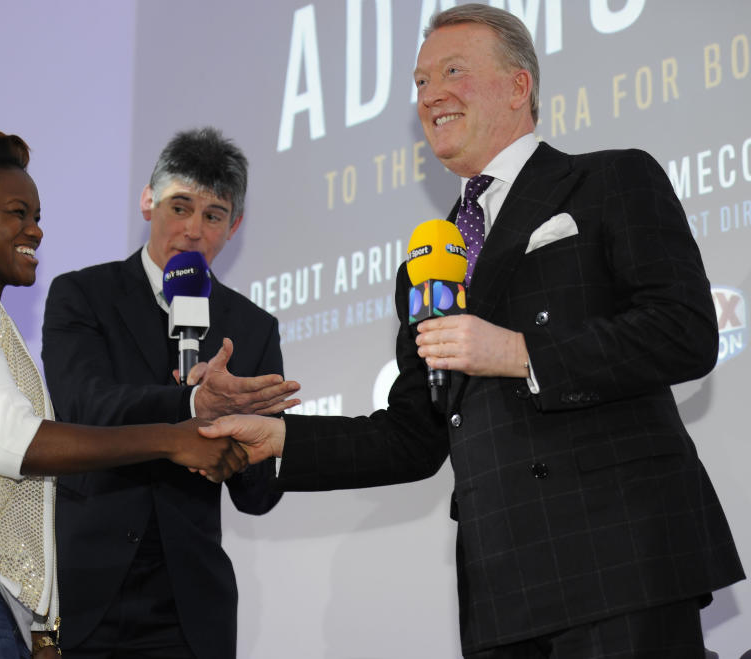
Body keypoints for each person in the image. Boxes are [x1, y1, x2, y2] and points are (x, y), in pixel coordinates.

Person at [202, 5, 744, 658]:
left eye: (452, 71)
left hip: (619, 560)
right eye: (421, 82)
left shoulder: (609, 180)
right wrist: (279, 438)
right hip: (500, 589)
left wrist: (519, 353)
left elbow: (684, 332)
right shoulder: (429, 261)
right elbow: (413, 436)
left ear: (519, 86)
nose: (431, 95)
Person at [0, 130, 248, 659]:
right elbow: (12, 441)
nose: (35, 230)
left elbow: (19, 491)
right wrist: (172, 438)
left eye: (37, 214)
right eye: (18, 213)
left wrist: (38, 621)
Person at [41, 126, 299, 659]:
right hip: (85, 590)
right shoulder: (83, 295)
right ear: (147, 201)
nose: (193, 229)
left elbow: (259, 496)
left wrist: (248, 452)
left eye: (214, 215)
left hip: (189, 608)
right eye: (180, 206)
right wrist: (191, 405)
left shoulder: (251, 329)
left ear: (236, 226)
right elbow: (84, 407)